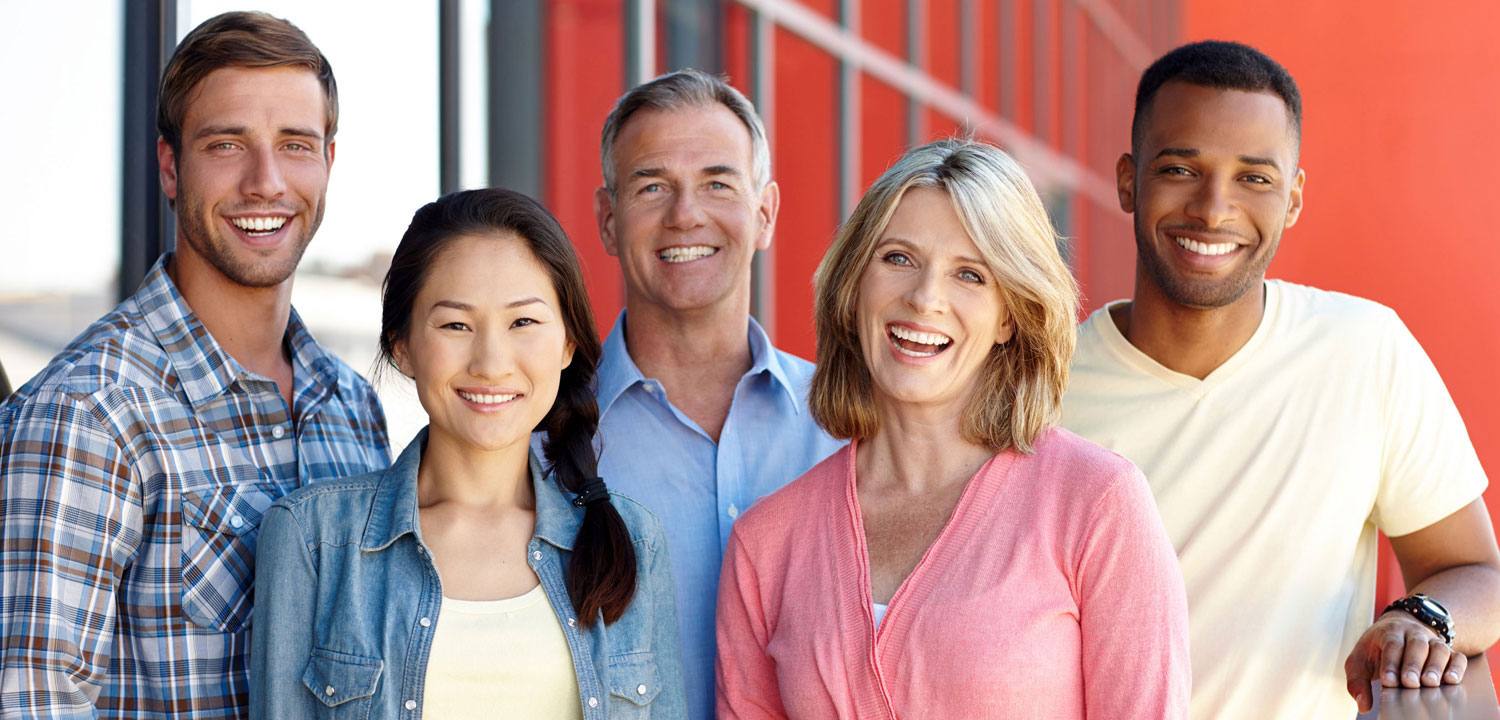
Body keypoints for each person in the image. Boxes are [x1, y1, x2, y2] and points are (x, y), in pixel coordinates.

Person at [1060, 40, 1500, 718]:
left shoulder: (1363, 351)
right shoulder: (1044, 388)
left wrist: (1423, 619)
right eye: (1181, 168)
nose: (1213, 209)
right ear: (1129, 180)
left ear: (1292, 199)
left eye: (1254, 178)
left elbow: (1477, 574)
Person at [716, 138, 1191, 719]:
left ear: (1010, 317)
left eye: (969, 274)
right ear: (853, 286)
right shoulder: (765, 544)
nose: (925, 298)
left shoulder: (1097, 505)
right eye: (898, 259)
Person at [0, 12, 390, 717]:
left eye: (295, 145)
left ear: (329, 162)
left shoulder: (352, 407)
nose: (266, 182)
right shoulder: (88, 413)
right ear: (172, 167)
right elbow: (33, 702)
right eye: (227, 144)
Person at [251, 188, 685, 719]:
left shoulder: (632, 541)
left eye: (523, 322)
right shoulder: (311, 540)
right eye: (456, 324)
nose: (491, 362)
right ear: (402, 346)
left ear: (568, 344)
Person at [590, 69, 844, 717]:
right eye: (652, 187)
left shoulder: (851, 424)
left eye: (717, 183)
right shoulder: (544, 439)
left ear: (764, 214)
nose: (686, 215)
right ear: (608, 220)